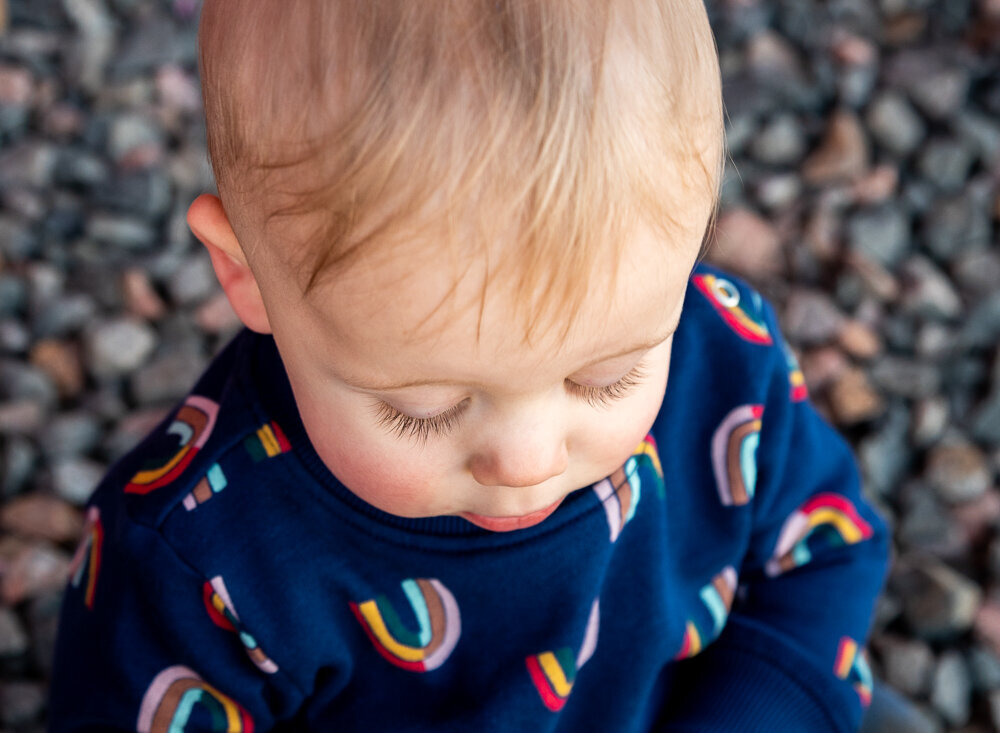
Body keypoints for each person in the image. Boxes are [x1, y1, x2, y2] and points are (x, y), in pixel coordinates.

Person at [47, 1, 889, 730]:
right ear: (245, 274)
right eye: (425, 404)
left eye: (608, 376)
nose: (528, 461)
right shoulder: (201, 558)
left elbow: (825, 553)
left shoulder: (721, 361)